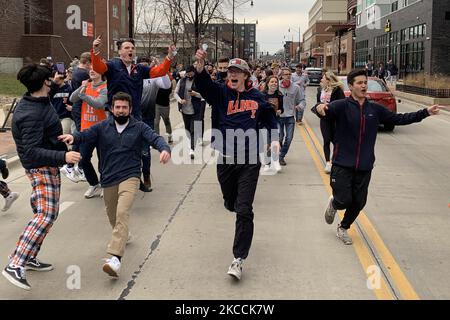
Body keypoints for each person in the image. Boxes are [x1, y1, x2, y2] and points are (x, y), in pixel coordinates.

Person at [312, 69, 442, 245]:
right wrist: (320, 108)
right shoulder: (342, 106)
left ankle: (343, 227)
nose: (364, 85)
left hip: (364, 165)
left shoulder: (375, 109)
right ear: (351, 86)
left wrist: (425, 112)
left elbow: (399, 119)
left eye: (365, 82)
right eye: (360, 83)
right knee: (344, 199)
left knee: (358, 202)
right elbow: (319, 109)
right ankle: (335, 204)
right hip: (342, 162)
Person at [59, 92, 171, 278]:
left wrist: (164, 149)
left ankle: (115, 258)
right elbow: (85, 134)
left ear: (130, 109)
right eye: (117, 107)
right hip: (109, 177)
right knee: (113, 215)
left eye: (124, 107)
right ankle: (123, 235)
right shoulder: (103, 127)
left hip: (130, 175)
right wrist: (73, 138)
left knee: (122, 212)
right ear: (112, 109)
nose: (120, 110)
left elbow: (155, 138)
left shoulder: (138, 127)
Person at [194, 50, 280, 281]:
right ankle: (232, 202)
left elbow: (270, 118)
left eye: (236, 72)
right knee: (230, 202)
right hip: (226, 158)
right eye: (229, 71)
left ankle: (238, 258)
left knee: (244, 210)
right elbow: (205, 87)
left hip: (250, 159)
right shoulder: (221, 93)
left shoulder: (257, 97)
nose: (231, 75)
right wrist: (200, 69)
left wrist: (273, 138)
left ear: (245, 76)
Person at [2, 64, 81, 290]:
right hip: (41, 168)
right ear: (45, 82)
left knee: (44, 214)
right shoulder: (31, 114)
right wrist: (64, 157)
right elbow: (30, 151)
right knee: (46, 215)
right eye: (52, 78)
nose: (56, 80)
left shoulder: (39, 99)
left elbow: (45, 133)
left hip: (47, 165)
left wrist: (59, 139)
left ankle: (29, 257)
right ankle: (16, 262)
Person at [91, 36, 176, 121]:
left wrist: (169, 57)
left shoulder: (139, 69)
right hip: (116, 113)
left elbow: (159, 71)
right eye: (127, 48)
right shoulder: (112, 65)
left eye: (132, 48)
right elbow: (98, 68)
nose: (130, 50)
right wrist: (95, 51)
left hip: (135, 114)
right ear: (119, 51)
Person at [69, 67, 108, 198]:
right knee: (84, 159)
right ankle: (93, 183)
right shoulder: (86, 85)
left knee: (103, 160)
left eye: (95, 69)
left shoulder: (106, 87)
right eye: (90, 69)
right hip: (86, 130)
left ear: (102, 72)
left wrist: (84, 95)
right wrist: (82, 88)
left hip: (102, 129)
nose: (92, 71)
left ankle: (104, 183)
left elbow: (99, 104)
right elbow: (72, 98)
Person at [138, 57, 172, 191]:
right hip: (132, 118)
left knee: (145, 150)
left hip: (147, 118)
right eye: (141, 66)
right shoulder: (132, 78)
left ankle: (146, 175)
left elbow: (167, 85)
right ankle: (134, 177)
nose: (144, 69)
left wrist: (160, 67)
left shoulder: (154, 79)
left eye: (146, 66)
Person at [61, 52, 91, 182]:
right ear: (88, 63)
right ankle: (70, 166)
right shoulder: (83, 74)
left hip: (77, 108)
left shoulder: (76, 72)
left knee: (80, 136)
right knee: (79, 137)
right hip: (80, 108)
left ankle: (76, 166)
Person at [313, 71, 345, 174]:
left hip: (335, 120)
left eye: (323, 78)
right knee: (326, 140)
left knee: (336, 142)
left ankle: (334, 161)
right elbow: (318, 102)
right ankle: (328, 163)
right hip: (324, 119)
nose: (321, 79)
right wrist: (319, 109)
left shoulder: (338, 90)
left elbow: (342, 104)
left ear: (328, 80)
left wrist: (330, 108)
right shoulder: (320, 90)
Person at [174, 65, 203, 159]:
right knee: (187, 129)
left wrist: (196, 94)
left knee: (193, 129)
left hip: (195, 109)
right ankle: (190, 142)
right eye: (188, 72)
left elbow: (204, 95)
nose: (189, 74)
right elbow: (175, 93)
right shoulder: (181, 81)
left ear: (194, 72)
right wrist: (180, 100)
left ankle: (192, 149)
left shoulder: (198, 81)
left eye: (191, 72)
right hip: (185, 109)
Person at [278, 67, 305, 166]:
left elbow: (302, 100)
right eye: (285, 74)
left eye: (289, 74)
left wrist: (300, 106)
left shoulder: (296, 87)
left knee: (289, 138)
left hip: (290, 117)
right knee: (280, 138)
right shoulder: (276, 86)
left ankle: (281, 156)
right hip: (278, 117)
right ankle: (276, 151)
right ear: (282, 76)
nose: (288, 76)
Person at [154, 73, 174, 144]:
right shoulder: (157, 82)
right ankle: (156, 139)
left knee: (166, 120)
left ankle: (169, 136)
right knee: (156, 122)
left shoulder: (169, 84)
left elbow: (168, 91)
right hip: (156, 105)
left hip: (165, 105)